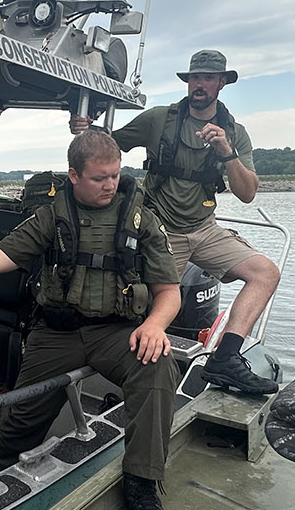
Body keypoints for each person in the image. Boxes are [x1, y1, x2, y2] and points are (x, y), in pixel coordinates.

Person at [0, 128, 183, 510]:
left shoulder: (140, 217)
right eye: (100, 177)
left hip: (118, 332)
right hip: (57, 332)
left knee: (158, 368)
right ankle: (1, 476)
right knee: (20, 419)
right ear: (74, 175)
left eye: (115, 175)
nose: (110, 184)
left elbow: (169, 292)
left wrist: (154, 325)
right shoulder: (51, 215)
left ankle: (142, 486)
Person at [83, 48, 281, 396]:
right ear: (188, 82)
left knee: (266, 273)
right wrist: (86, 130)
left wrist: (227, 153)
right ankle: (133, 378)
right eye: (194, 77)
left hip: (204, 229)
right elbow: (106, 146)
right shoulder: (159, 119)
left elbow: (247, 193)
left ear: (222, 82)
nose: (199, 84)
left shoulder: (234, 132)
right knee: (149, 307)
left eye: (207, 77)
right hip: (160, 228)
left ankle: (226, 359)